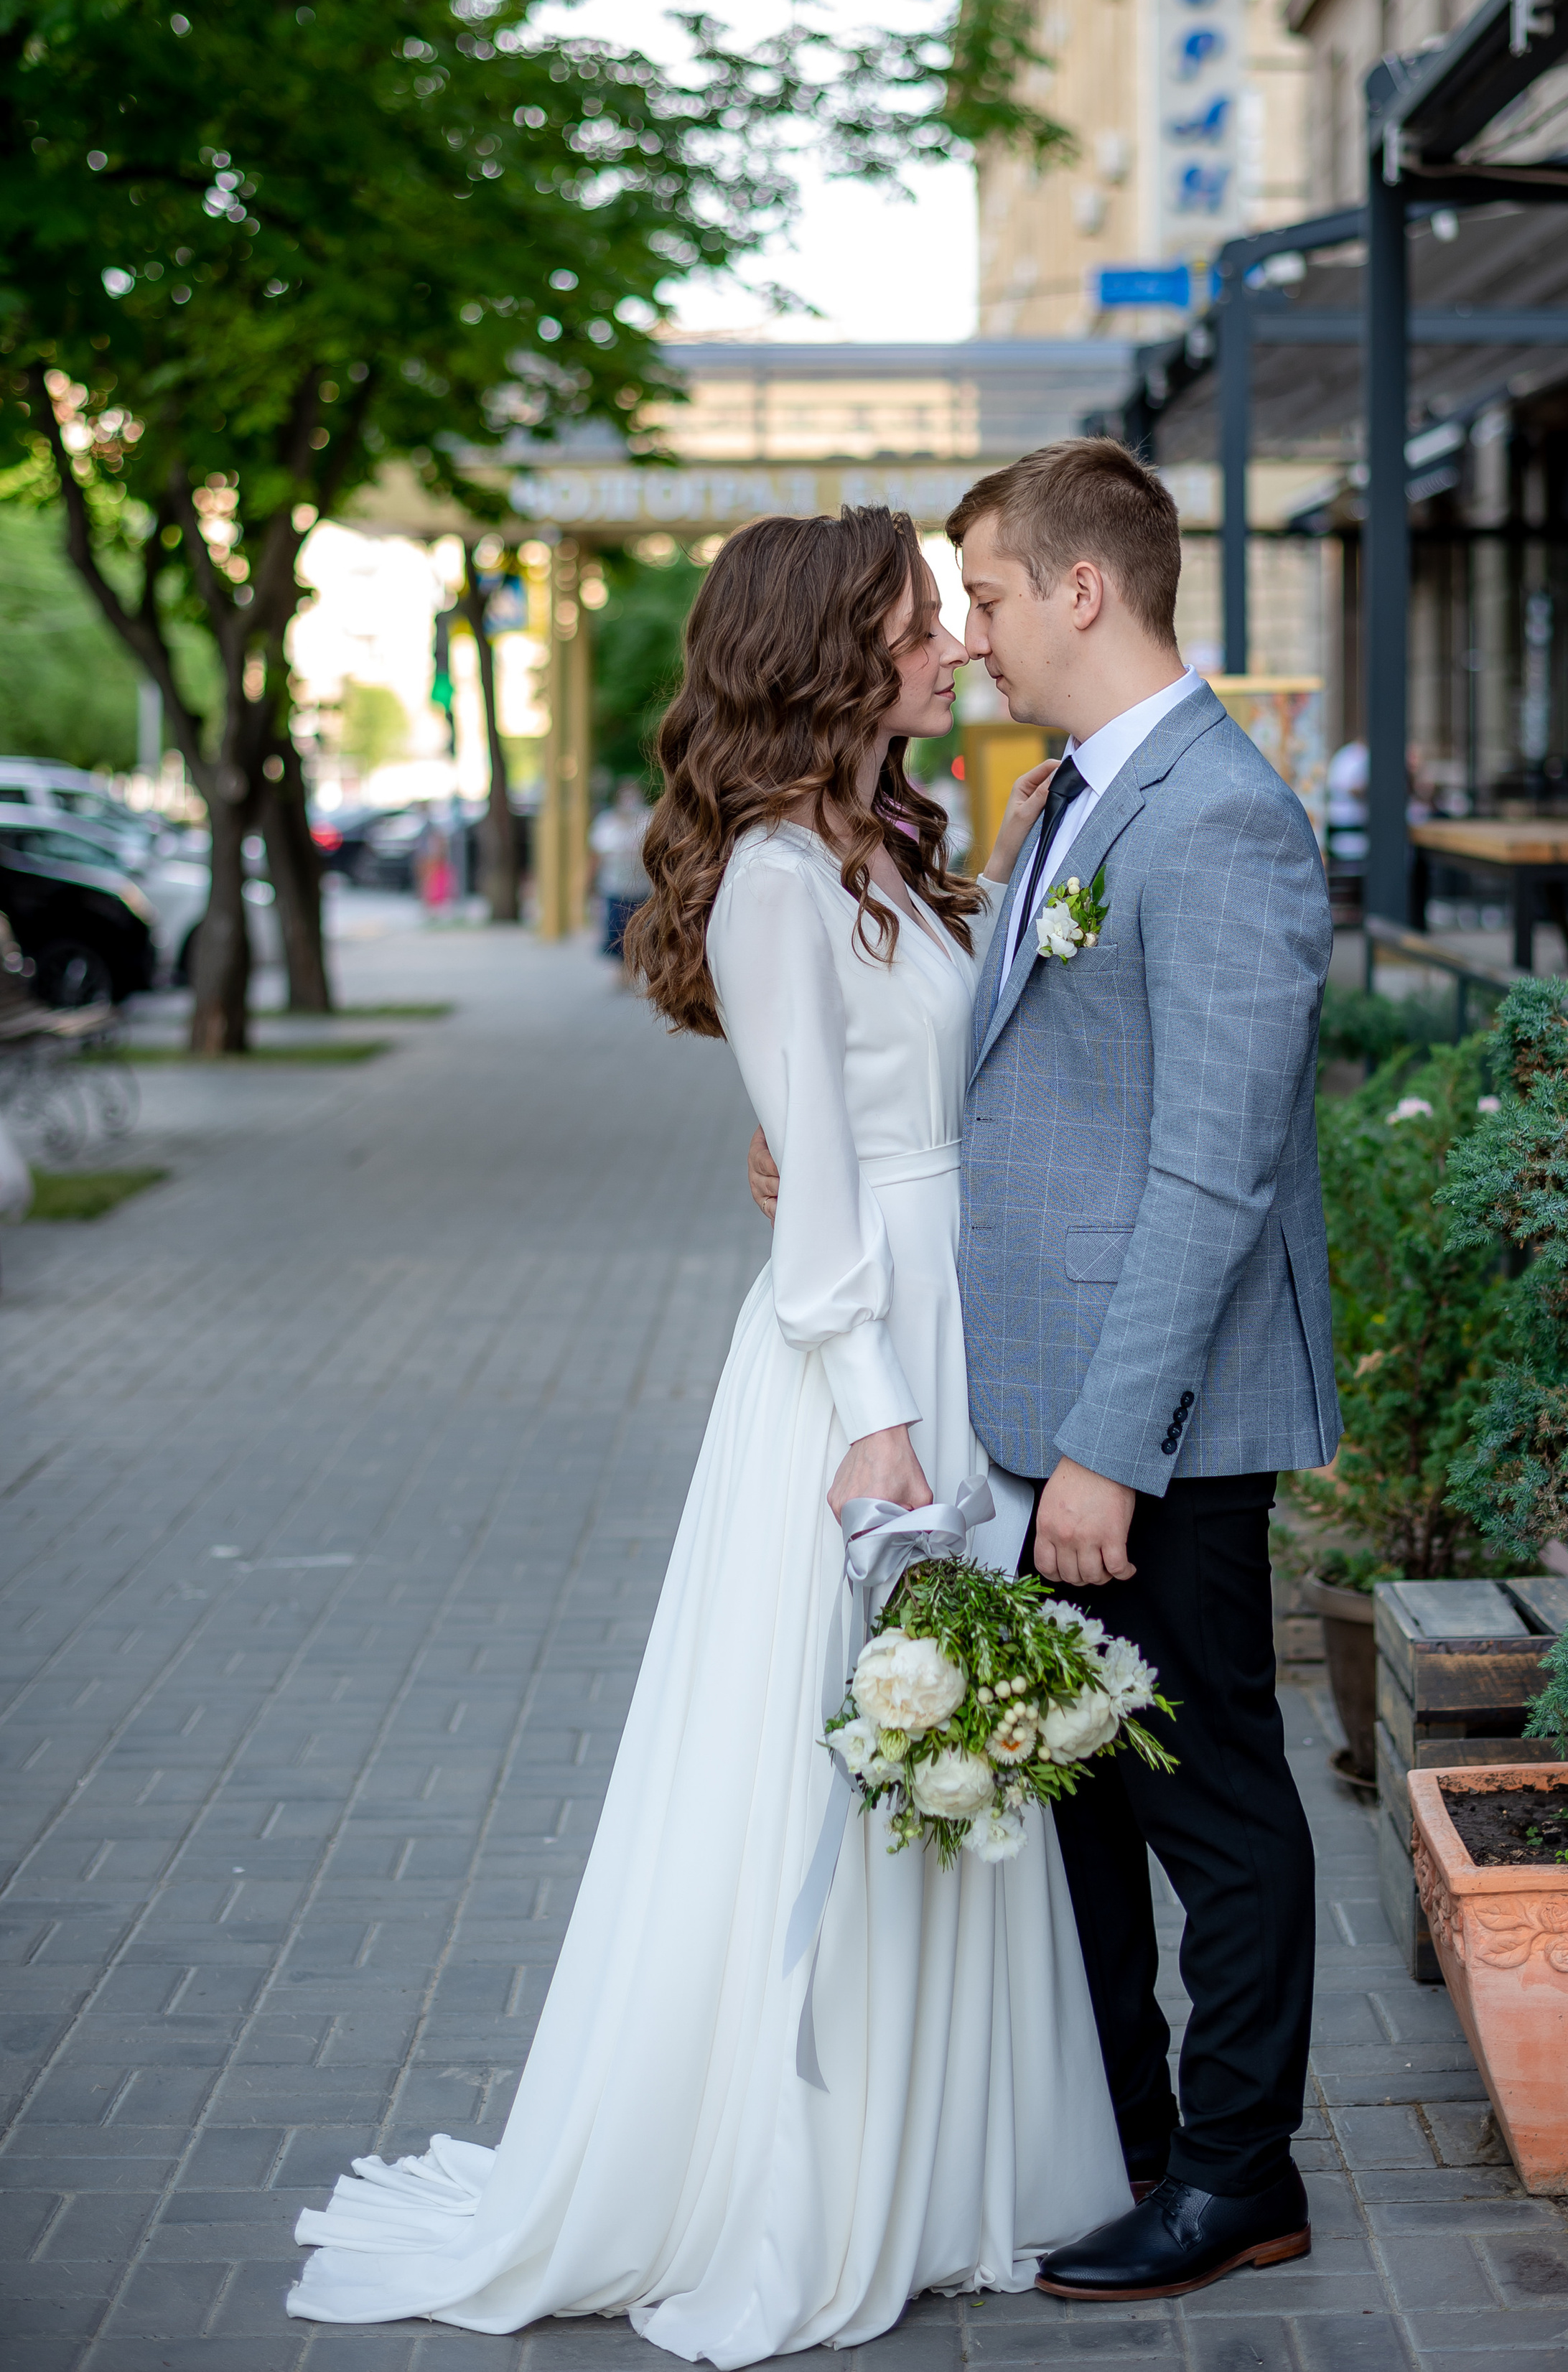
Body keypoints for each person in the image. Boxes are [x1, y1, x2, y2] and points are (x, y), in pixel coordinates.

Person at [286, 505, 1128, 2358]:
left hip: (952, 1325)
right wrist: (881, 1426)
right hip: (864, 1383)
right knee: (849, 1759)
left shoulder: (884, 854)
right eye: (921, 623)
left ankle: (948, 2164)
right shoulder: (766, 880)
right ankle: (811, 2174)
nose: (950, 647)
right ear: (839, 649)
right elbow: (819, 1201)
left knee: (948, 1765)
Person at [750, 438, 1338, 2300]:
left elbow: (1211, 1168)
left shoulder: (1220, 817)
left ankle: (1240, 2176)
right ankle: (1134, 2146)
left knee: (1208, 1794)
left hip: (1146, 1417)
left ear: (1085, 589)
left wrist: (1108, 1448)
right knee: (1078, 1789)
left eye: (988, 595)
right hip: (1041, 1409)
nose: (972, 635)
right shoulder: (1062, 804)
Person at [589, 775, 653, 988]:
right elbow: (598, 852)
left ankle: (634, 970)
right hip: (615, 885)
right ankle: (620, 971)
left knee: (639, 930)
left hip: (642, 888)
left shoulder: (647, 818)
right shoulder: (607, 821)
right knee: (616, 929)